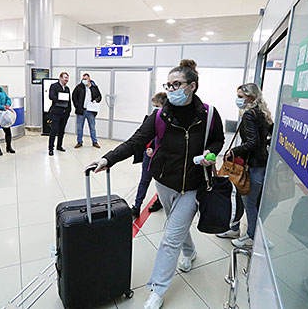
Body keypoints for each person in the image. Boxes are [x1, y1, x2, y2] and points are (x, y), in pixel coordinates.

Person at [87, 59, 225, 309]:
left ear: (192, 86)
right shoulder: (160, 116)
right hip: (164, 182)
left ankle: (157, 290)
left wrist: (211, 155)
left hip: (193, 185)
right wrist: (109, 159)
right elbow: (136, 141)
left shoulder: (210, 114)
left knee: (170, 237)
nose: (171, 90)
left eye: (177, 84)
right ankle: (190, 252)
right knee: (176, 224)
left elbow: (218, 141)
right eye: (169, 85)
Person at [218, 83, 272, 249]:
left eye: (241, 97)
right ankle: (235, 228)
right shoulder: (264, 114)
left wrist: (233, 151)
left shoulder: (249, 115)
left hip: (253, 166)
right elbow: (266, 139)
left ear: (252, 98)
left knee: (248, 202)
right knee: (246, 199)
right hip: (262, 164)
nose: (238, 100)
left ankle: (251, 236)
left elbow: (252, 143)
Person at [131, 92, 167, 218]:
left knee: (161, 181)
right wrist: (149, 147)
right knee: (144, 179)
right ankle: (137, 206)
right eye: (153, 105)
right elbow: (144, 136)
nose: (154, 108)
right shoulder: (150, 118)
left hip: (163, 156)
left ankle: (159, 200)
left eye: (157, 106)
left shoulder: (170, 122)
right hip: (149, 155)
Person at [72, 73, 102, 149]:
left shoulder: (94, 87)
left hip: (91, 111)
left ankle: (94, 142)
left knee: (92, 127)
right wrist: (77, 106)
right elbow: (74, 96)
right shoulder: (79, 87)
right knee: (79, 127)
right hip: (81, 111)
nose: (84, 80)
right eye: (83, 79)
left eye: (86, 79)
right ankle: (79, 142)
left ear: (89, 79)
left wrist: (96, 100)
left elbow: (99, 96)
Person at [48, 72, 71, 155]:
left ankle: (59, 145)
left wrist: (69, 111)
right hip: (56, 112)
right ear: (60, 78)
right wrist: (60, 98)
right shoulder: (54, 86)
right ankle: (51, 148)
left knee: (62, 130)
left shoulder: (67, 88)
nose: (66, 79)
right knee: (53, 131)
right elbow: (51, 96)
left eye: (67, 78)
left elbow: (69, 101)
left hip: (65, 113)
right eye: (65, 77)